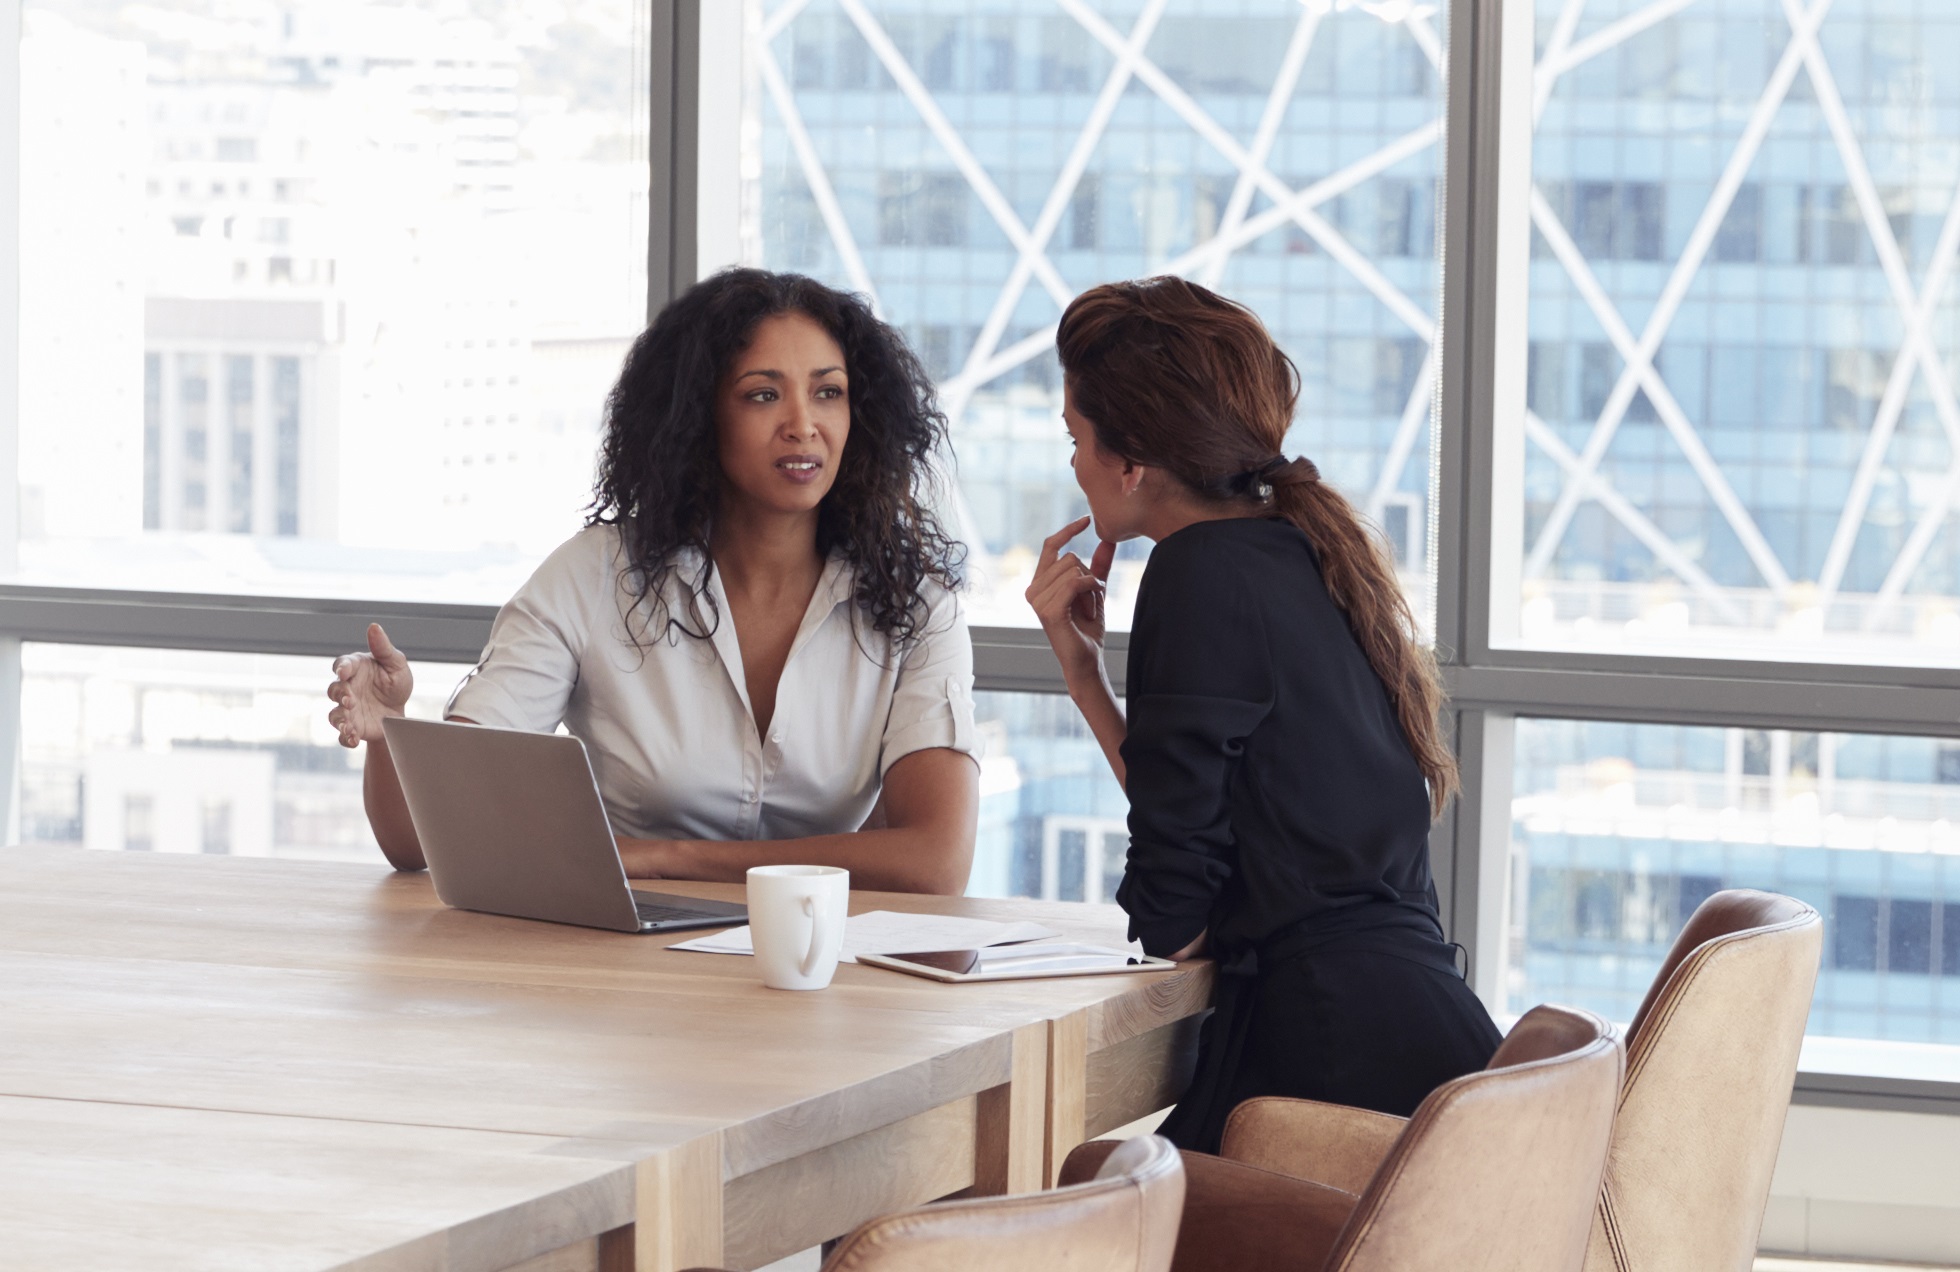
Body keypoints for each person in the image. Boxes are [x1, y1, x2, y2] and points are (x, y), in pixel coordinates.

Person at [1025, 276, 1500, 1152]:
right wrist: (1086, 678)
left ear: (1130, 464)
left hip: (1323, 1070)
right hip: (1429, 1045)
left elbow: (1176, 918)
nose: (1073, 464)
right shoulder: (1305, 551)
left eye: (1075, 439)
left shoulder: (1194, 573)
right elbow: (1218, 834)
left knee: (1088, 1200)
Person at [327, 269, 980, 895]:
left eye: (828, 392)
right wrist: (390, 734)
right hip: (620, 964)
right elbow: (424, 837)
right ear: (699, 416)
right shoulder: (593, 576)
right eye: (763, 394)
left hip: (819, 969)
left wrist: (671, 859)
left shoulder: (914, 607)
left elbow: (936, 862)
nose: (803, 424)